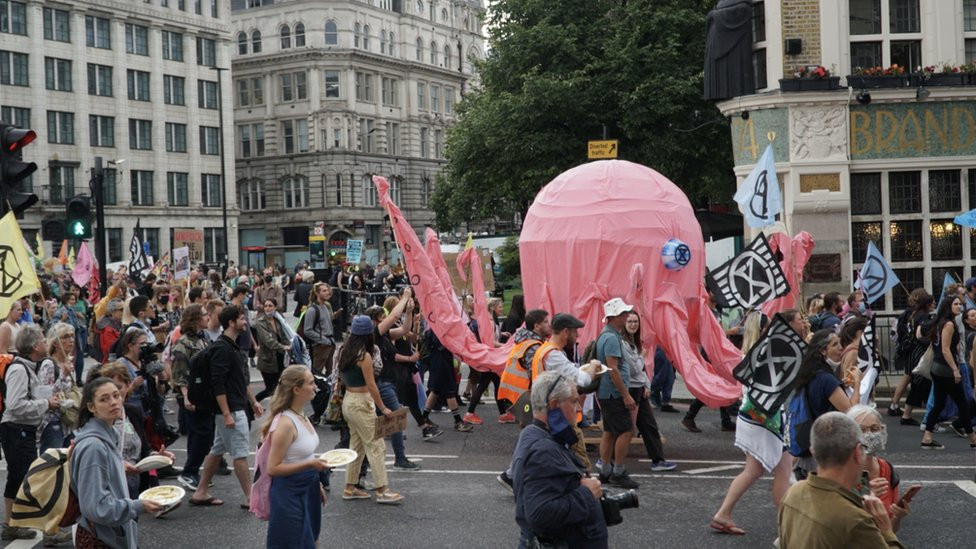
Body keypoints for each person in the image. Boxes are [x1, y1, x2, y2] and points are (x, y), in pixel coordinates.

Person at [710, 309, 800, 536]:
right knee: (779, 468)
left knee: (757, 470)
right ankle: (786, 526)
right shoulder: (763, 353)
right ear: (762, 330)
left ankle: (724, 513)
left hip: (756, 417)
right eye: (769, 325)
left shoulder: (751, 352)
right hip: (764, 418)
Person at [777, 412, 905, 548]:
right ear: (857, 453)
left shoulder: (793, 493)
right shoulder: (855, 520)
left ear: (813, 451)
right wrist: (886, 531)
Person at [512, 370, 607, 549]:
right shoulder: (543, 450)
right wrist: (587, 494)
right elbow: (539, 514)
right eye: (573, 402)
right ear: (554, 404)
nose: (578, 408)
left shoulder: (535, 434)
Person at [71, 377, 163, 547]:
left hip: (108, 533)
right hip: (101, 537)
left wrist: (118, 467)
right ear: (91, 407)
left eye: (116, 395)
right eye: (104, 399)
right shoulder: (94, 446)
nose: (113, 402)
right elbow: (96, 507)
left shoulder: (108, 434)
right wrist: (137, 506)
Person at [190, 304, 265, 507]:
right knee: (240, 455)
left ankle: (201, 492)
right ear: (231, 322)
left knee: (216, 451)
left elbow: (239, 380)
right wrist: (226, 413)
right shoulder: (222, 348)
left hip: (235, 406)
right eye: (242, 319)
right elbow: (218, 383)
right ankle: (251, 498)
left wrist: (254, 401)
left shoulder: (231, 345)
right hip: (231, 410)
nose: (245, 322)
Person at [1, 326, 62, 542]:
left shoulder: (28, 367)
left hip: (20, 430)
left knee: (18, 478)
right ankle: (50, 530)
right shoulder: (19, 369)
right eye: (44, 340)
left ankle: (10, 525)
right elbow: (15, 405)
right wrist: (46, 404)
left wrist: (48, 402)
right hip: (17, 430)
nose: (47, 343)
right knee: (36, 479)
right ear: (35, 346)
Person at [339, 315, 404, 504]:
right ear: (368, 335)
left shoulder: (344, 351)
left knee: (357, 446)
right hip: (361, 402)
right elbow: (372, 384)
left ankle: (350, 487)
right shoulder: (364, 356)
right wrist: (383, 407)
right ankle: (382, 490)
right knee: (376, 446)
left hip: (349, 400)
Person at [264, 366, 329, 549]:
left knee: (311, 539)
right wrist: (310, 465)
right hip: (289, 493)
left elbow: (303, 453)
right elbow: (273, 468)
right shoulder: (285, 423)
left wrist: (317, 483)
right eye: (311, 383)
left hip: (308, 487)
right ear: (296, 389)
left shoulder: (302, 415)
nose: (315, 386)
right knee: (296, 543)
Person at [791, 329, 859, 480]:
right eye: (835, 344)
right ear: (823, 351)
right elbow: (851, 411)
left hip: (810, 447)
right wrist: (858, 384)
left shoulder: (811, 374)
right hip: (825, 451)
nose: (841, 347)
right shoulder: (826, 379)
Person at [621, 311, 676, 472]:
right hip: (630, 389)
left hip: (639, 388)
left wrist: (646, 386)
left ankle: (658, 460)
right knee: (625, 429)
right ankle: (608, 461)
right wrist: (641, 356)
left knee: (649, 425)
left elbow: (642, 371)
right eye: (630, 321)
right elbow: (634, 368)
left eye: (635, 322)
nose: (633, 324)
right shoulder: (624, 343)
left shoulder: (634, 341)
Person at [921, 296, 976, 449]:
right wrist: (955, 370)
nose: (960, 306)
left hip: (938, 369)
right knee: (962, 404)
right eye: (956, 304)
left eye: (960, 304)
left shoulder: (941, 322)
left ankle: (927, 437)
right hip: (945, 370)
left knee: (939, 404)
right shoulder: (949, 324)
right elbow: (945, 350)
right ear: (948, 306)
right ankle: (972, 438)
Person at [595, 298, 639, 489]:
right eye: (623, 314)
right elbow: (613, 369)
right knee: (626, 430)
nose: (626, 316)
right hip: (613, 393)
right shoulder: (612, 338)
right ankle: (618, 472)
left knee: (609, 431)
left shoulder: (606, 335)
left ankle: (605, 470)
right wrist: (625, 395)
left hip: (606, 392)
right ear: (614, 317)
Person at [847, 405, 911, 533]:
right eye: (862, 430)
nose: (869, 435)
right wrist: (867, 498)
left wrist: (897, 516)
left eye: (874, 429)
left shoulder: (887, 469)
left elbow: (890, 531)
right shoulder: (841, 471)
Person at [171, 304, 213, 491]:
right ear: (196, 319)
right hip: (190, 395)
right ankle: (189, 472)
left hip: (201, 394)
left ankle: (193, 472)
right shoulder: (184, 343)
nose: (208, 317)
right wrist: (186, 398)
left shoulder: (202, 339)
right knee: (202, 434)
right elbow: (179, 374)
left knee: (200, 434)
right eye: (205, 314)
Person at [497, 309, 552, 423]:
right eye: (546, 322)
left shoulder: (526, 340)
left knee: (528, 424)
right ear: (536, 326)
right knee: (534, 424)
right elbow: (535, 373)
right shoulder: (532, 345)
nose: (549, 325)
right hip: (524, 394)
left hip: (518, 393)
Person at [36, 322, 78, 453]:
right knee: (52, 465)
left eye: (72, 336)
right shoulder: (49, 364)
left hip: (67, 422)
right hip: (52, 421)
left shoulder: (67, 362)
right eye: (65, 337)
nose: (71, 340)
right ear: (55, 342)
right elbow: (46, 395)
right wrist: (64, 376)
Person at [254, 298, 292, 402]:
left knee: (280, 388)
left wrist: (289, 344)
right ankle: (252, 404)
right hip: (268, 360)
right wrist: (283, 347)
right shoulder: (260, 322)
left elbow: (284, 336)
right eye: (266, 306)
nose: (268, 308)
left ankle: (278, 409)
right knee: (270, 389)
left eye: (270, 306)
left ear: (275, 307)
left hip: (280, 358)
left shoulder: (279, 320)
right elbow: (268, 341)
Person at [304, 282, 338, 380]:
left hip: (330, 344)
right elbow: (308, 330)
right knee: (316, 374)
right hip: (320, 346)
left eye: (327, 290)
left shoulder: (326, 306)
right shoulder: (312, 310)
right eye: (324, 291)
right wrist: (323, 340)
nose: (327, 293)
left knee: (331, 373)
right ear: (317, 293)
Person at [649, 347, 678, 413]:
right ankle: (647, 392)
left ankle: (664, 402)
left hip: (667, 349)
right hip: (663, 348)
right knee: (662, 375)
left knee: (669, 376)